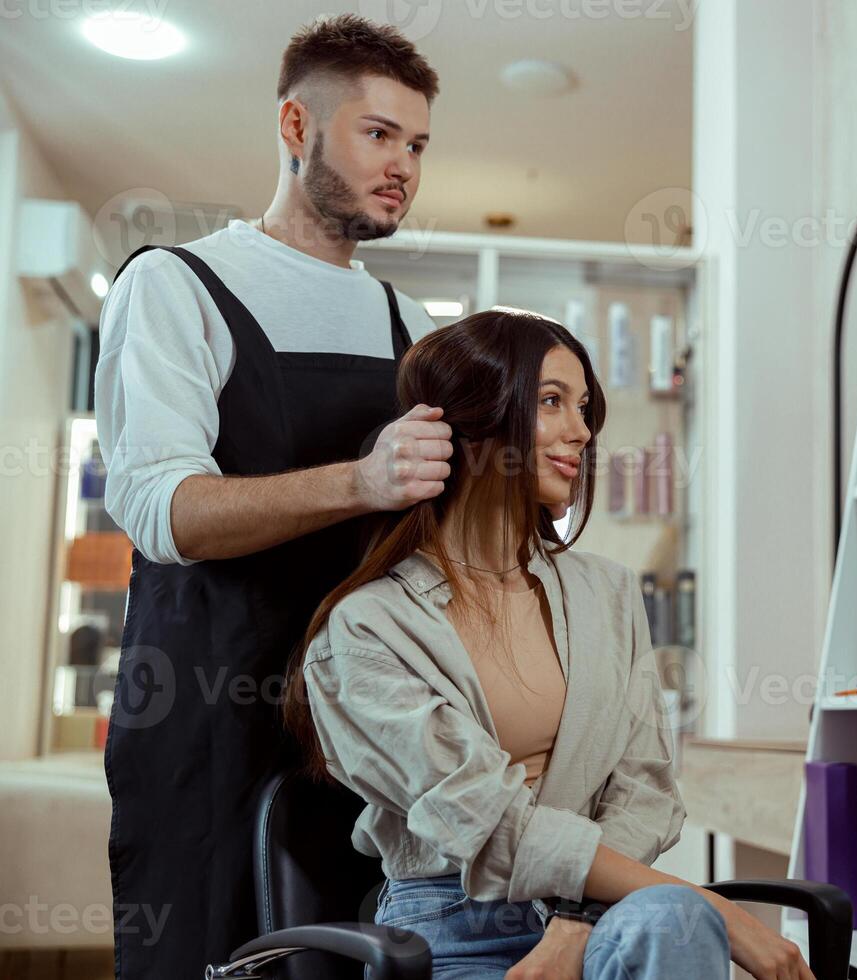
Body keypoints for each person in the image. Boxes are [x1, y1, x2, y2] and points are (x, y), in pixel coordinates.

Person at [284, 309, 817, 980]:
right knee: (690, 912)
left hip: (605, 913)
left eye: (585, 407)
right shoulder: (369, 630)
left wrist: (576, 925)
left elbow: (647, 787)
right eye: (552, 402)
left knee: (675, 920)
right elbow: (487, 821)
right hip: (452, 930)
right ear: (473, 425)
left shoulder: (610, 594)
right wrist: (722, 910)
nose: (582, 430)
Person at [95, 16, 460, 977]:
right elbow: (166, 512)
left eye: (416, 144)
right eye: (377, 134)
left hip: (361, 727)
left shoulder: (409, 322)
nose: (403, 166)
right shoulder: (178, 286)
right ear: (297, 126)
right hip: (205, 716)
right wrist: (361, 480)